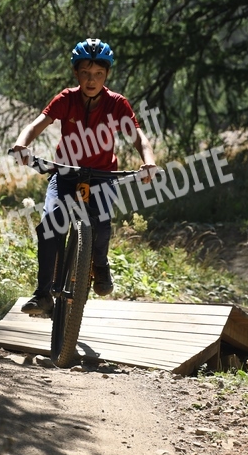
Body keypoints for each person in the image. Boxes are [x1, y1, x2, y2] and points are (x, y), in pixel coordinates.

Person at [11, 38, 157, 315]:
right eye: (86, 73)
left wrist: (148, 161)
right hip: (65, 174)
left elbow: (139, 138)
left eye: (99, 74)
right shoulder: (66, 99)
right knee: (49, 226)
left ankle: (99, 265)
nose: (92, 80)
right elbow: (36, 125)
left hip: (101, 177)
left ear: (107, 74)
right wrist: (21, 144)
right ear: (76, 73)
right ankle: (43, 294)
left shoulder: (117, 104)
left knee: (101, 225)